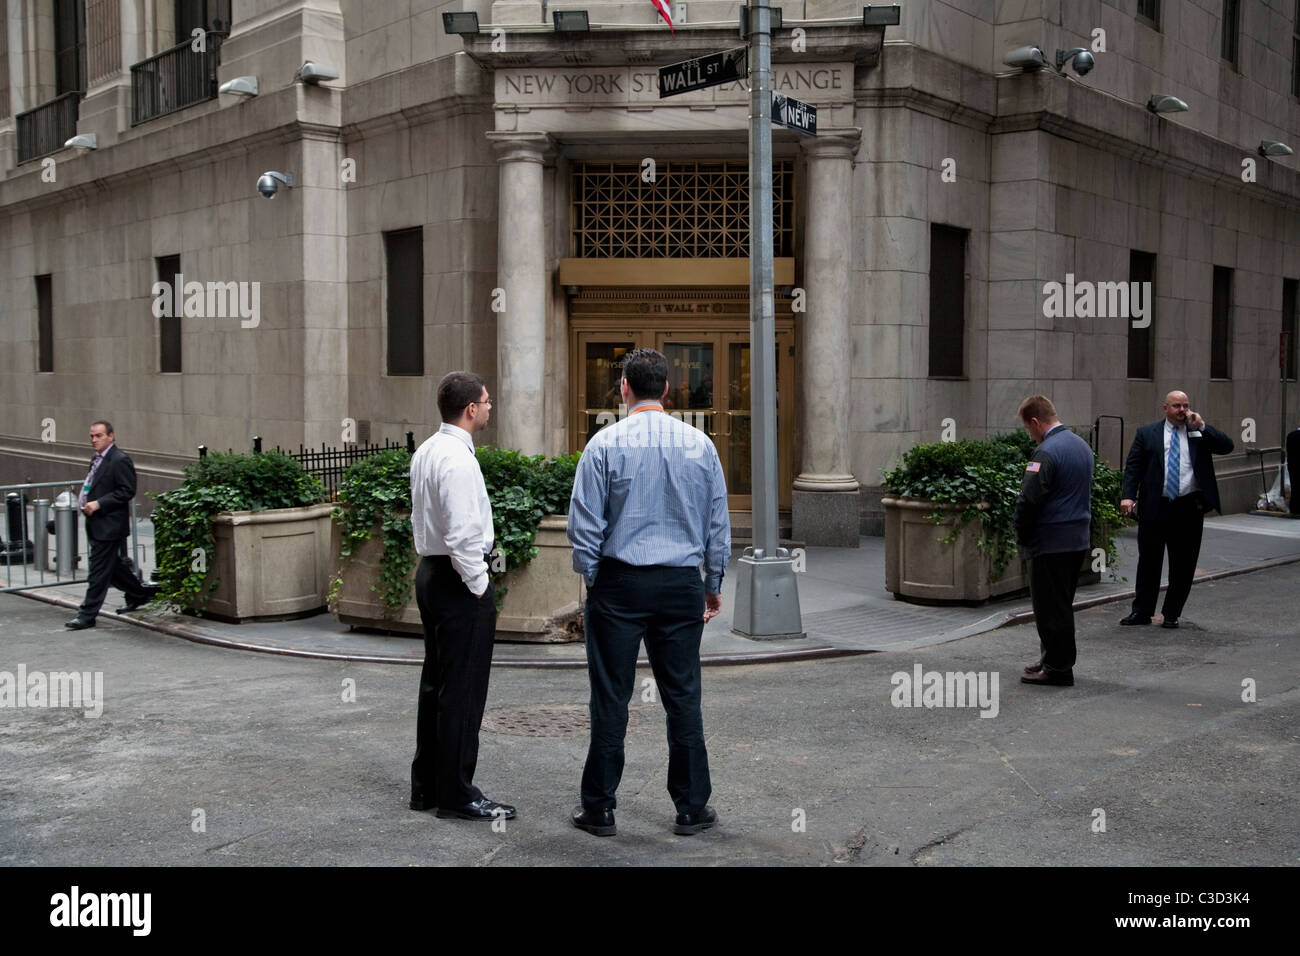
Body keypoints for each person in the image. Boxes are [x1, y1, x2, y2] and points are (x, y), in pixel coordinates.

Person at [567, 348, 730, 838]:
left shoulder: (603, 445)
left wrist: (596, 578)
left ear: (623, 388)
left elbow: (584, 527)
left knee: (611, 697)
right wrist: (712, 583)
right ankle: (691, 808)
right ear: (667, 390)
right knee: (683, 696)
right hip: (680, 584)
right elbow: (717, 523)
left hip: (619, 582)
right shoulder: (700, 445)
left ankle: (599, 808)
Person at [408, 371, 515, 822]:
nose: (491, 407)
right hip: (457, 581)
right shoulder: (458, 459)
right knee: (463, 692)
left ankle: (428, 787)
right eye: (487, 402)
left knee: (437, 684)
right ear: (471, 408)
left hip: (432, 575)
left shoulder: (428, 451)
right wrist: (480, 585)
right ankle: (457, 794)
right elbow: (461, 534)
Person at [1119, 390, 1234, 628]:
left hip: (1188, 507)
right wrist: (1128, 496)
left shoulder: (1198, 432)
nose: (1182, 411)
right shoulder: (1147, 433)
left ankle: (1171, 613)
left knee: (1183, 564)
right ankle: (1141, 612)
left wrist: (1203, 426)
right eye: (1177, 406)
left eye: (1186, 406)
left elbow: (1227, 446)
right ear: (1166, 408)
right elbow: (1133, 467)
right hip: (1155, 507)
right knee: (1149, 561)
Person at [1012, 396, 1094, 687]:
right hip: (1076, 539)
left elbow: (1029, 500)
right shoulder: (1081, 446)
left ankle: (1058, 669)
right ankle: (1052, 658)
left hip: (1050, 541)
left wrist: (1021, 534)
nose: (1030, 435)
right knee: (1061, 604)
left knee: (1049, 608)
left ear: (1035, 422)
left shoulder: (1045, 453)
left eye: (1028, 429)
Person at [66, 421, 154, 630]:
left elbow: (127, 490)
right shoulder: (97, 459)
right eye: (92, 436)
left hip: (109, 524)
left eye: (98, 436)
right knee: (112, 567)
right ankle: (139, 594)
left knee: (98, 571)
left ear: (111, 436)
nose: (94, 440)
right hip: (96, 523)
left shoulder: (120, 460)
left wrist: (98, 503)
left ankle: (87, 614)